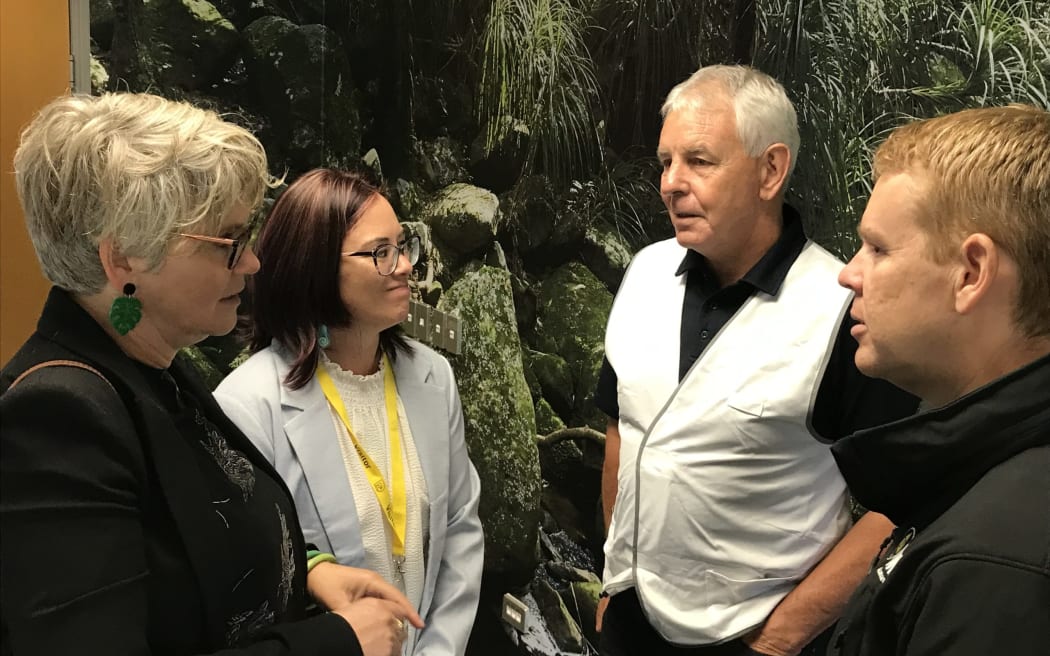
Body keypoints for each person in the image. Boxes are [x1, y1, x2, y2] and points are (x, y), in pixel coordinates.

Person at [0, 93, 423, 656]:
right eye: (230, 242)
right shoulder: (57, 420)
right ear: (123, 257)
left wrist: (312, 570)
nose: (251, 263)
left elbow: (198, 537)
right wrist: (337, 642)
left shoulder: (155, 367)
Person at [594, 65, 919, 656]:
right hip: (630, 617)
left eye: (699, 160)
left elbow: (900, 505)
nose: (671, 182)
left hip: (747, 633)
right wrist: (616, 578)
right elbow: (622, 421)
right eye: (666, 162)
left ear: (771, 170)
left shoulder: (841, 313)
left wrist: (783, 637)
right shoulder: (644, 272)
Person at [213, 168, 484, 655]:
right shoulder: (247, 406)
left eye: (404, 246)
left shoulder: (433, 377)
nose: (404, 266)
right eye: (381, 252)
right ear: (313, 266)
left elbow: (461, 526)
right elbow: (251, 581)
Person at [828, 105, 1050, 655]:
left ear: (970, 274)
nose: (849, 273)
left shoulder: (994, 568)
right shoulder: (986, 482)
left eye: (878, 248)